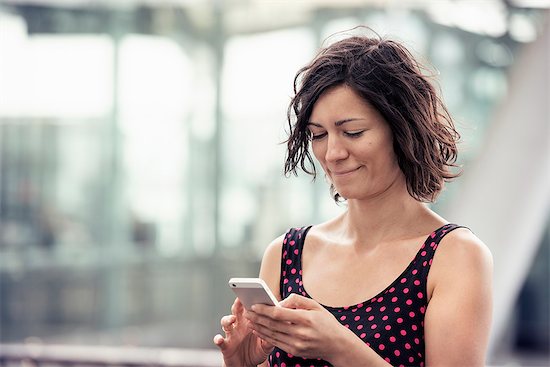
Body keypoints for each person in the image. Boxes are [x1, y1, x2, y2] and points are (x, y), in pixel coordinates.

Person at [213, 30, 493, 367]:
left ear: (402, 129)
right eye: (318, 135)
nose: (332, 153)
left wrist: (340, 347)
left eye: (353, 132)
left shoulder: (454, 257)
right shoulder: (285, 254)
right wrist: (240, 364)